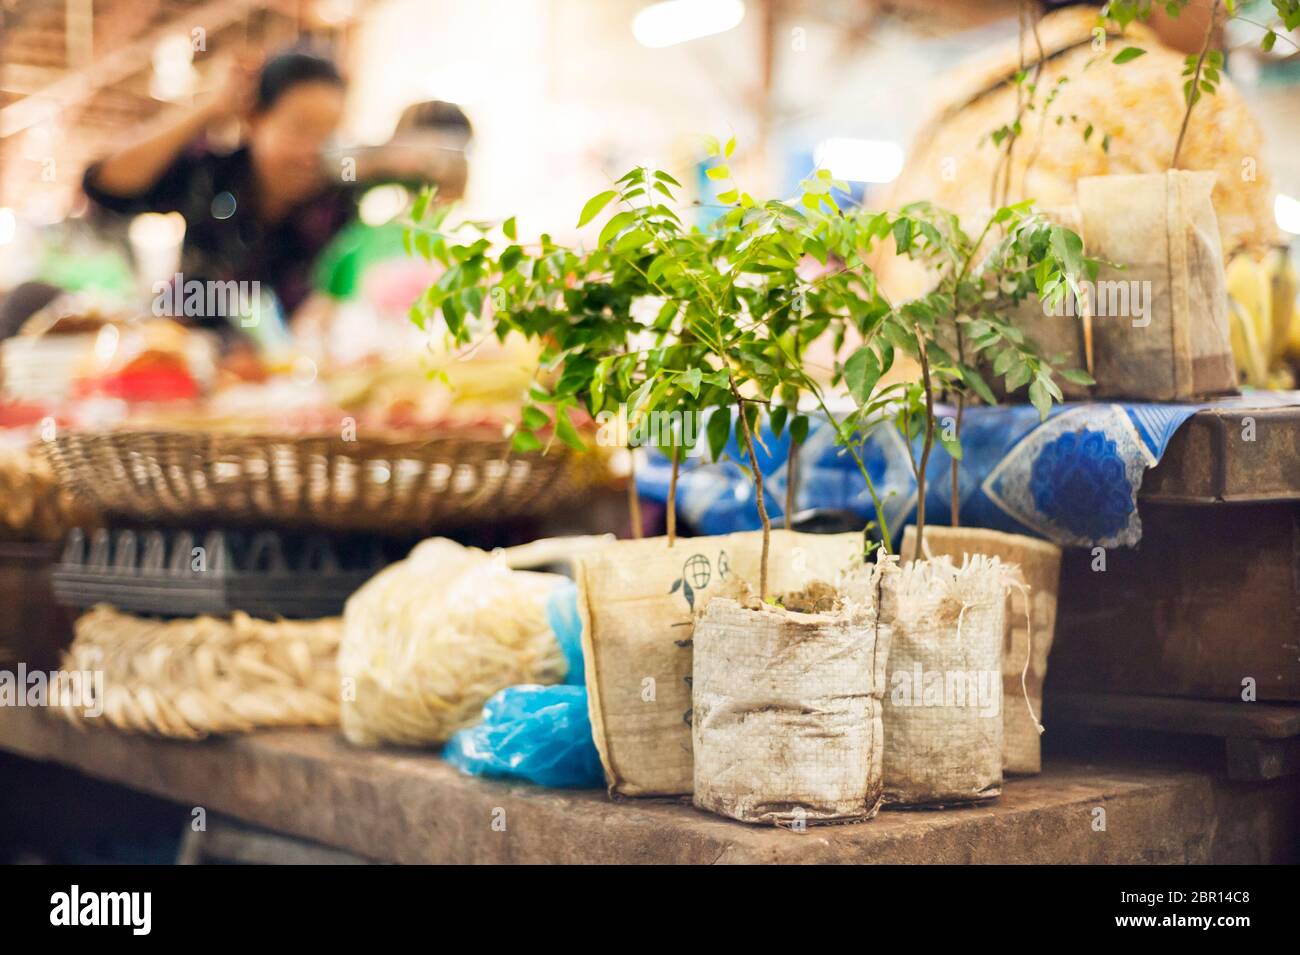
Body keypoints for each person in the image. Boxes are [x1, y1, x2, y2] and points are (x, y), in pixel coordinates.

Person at [82, 47, 354, 336]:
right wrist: (206, 110)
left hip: (296, 373)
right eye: (301, 129)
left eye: (329, 134)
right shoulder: (213, 176)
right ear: (254, 119)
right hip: (188, 356)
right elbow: (107, 187)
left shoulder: (340, 205)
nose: (313, 151)